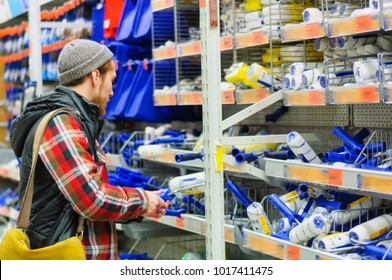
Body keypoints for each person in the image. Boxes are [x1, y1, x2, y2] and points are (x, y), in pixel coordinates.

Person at [10, 39, 169, 260]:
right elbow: (92, 199)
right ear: (95, 76)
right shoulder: (61, 124)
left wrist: (141, 207)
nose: (112, 91)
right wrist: (142, 201)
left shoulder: (78, 122)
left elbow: (78, 203)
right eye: (111, 80)